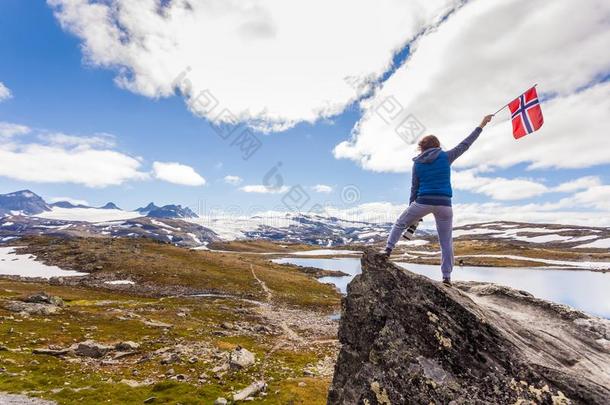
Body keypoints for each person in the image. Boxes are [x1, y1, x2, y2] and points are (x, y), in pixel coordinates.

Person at [382, 114, 494, 285]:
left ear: (422, 148)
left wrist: (413, 212)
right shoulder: (446, 156)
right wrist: (481, 124)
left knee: (400, 223)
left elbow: (414, 187)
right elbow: (466, 144)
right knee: (446, 241)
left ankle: (388, 250)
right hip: (444, 205)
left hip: (423, 201)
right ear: (437, 145)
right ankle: (447, 277)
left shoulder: (417, 163)